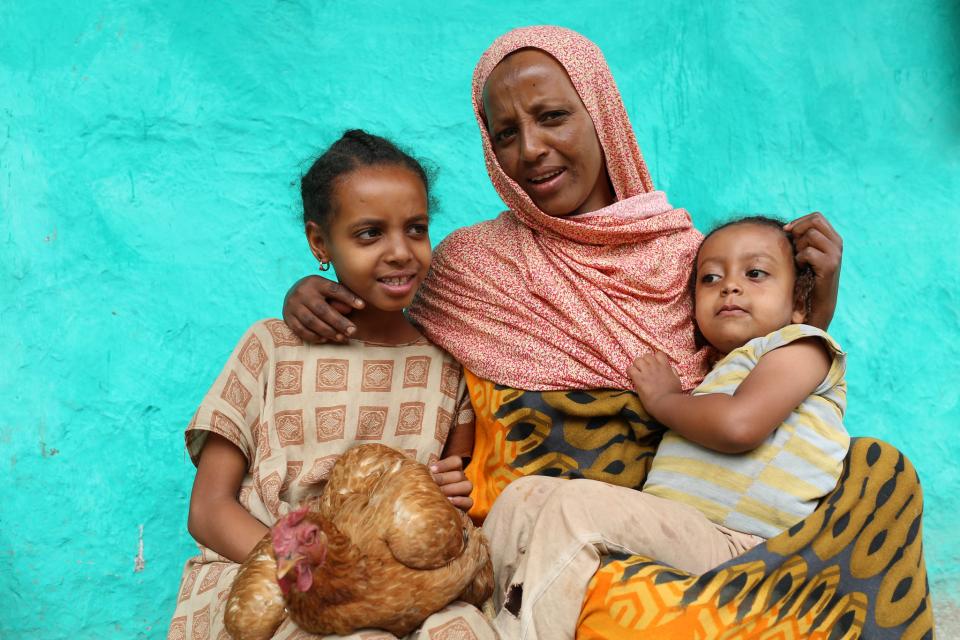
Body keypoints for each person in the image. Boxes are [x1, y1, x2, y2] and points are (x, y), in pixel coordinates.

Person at [279, 26, 929, 640]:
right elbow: (384, 310)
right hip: (535, 537)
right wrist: (312, 293)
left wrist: (815, 305)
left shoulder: (694, 263)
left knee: (874, 482)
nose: (530, 149)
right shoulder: (471, 266)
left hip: (668, 531)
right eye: (506, 133)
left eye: (552, 116)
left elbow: (761, 375)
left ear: (602, 113)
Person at [168, 130, 494, 640]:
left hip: (394, 588)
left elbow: (457, 494)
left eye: (416, 229)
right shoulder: (271, 347)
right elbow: (209, 510)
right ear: (320, 242)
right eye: (369, 234)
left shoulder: (446, 365)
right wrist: (313, 577)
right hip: (266, 576)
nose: (400, 252)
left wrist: (450, 495)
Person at [484, 215, 849, 638]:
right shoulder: (715, 373)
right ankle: (476, 615)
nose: (730, 286)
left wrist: (663, 400)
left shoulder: (803, 346)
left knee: (576, 508)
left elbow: (739, 425)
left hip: (744, 549)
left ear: (800, 304)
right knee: (524, 497)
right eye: (710, 278)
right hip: (685, 529)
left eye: (755, 273)